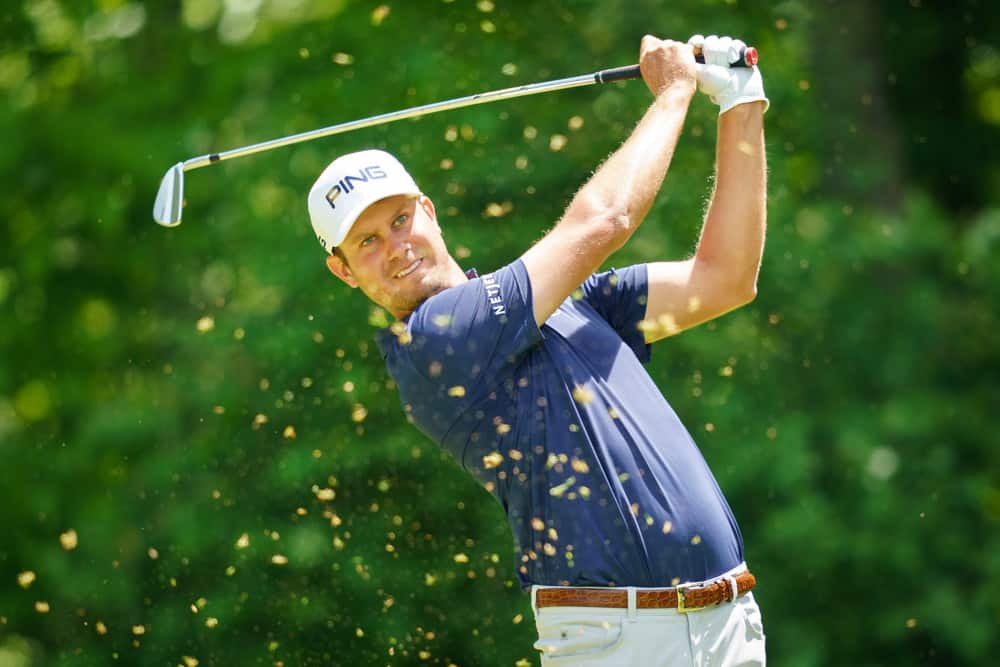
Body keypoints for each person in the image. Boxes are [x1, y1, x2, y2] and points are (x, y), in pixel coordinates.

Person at [307, 33, 768, 667]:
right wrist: (676, 91)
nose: (395, 246)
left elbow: (726, 278)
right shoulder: (433, 340)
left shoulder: (563, 302)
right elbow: (603, 221)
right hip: (620, 642)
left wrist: (741, 101)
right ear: (344, 272)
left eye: (399, 220)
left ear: (429, 210)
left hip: (726, 624)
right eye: (365, 242)